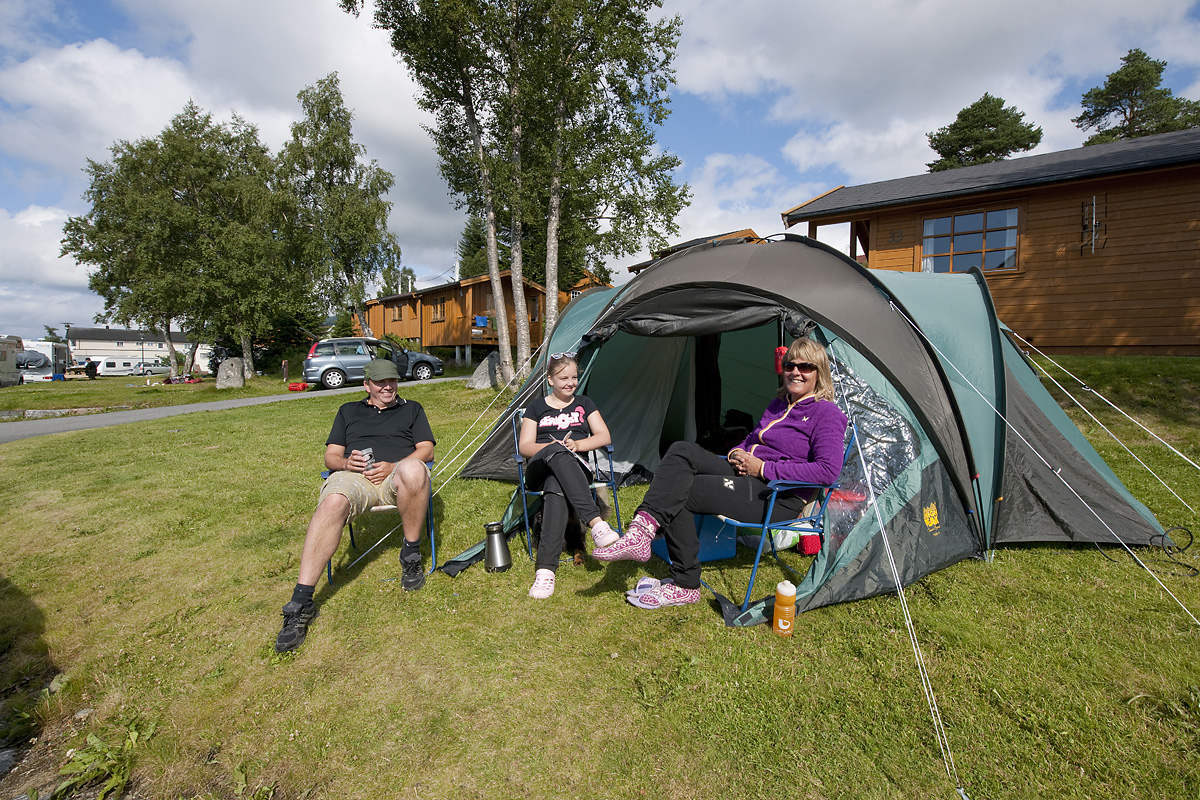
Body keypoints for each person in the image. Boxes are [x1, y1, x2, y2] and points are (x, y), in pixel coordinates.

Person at [593, 337, 848, 609]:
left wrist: (763, 468)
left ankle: (685, 583)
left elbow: (828, 471)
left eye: (805, 367)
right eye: (790, 365)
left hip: (777, 495)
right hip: (746, 471)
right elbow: (752, 438)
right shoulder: (779, 404)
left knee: (686, 490)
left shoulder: (827, 414)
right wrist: (737, 453)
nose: (796, 372)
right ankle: (641, 532)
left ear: (819, 373)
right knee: (681, 450)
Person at [275, 359, 436, 653]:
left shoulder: (412, 409)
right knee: (332, 502)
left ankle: (410, 555)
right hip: (355, 478)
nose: (388, 387)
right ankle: (301, 600)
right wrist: (347, 463)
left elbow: (426, 449)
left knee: (415, 470)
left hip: (395, 477)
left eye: (392, 381)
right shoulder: (348, 411)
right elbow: (331, 457)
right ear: (367, 385)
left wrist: (393, 466)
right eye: (380, 382)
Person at [519, 352, 619, 599]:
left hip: (575, 469)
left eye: (574, 377)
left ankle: (544, 571)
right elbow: (525, 447)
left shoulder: (585, 404)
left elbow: (604, 437)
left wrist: (577, 445)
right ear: (550, 379)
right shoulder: (536, 407)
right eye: (563, 377)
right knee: (556, 453)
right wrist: (554, 447)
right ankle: (596, 524)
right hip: (539, 470)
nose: (570, 382)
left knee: (557, 485)